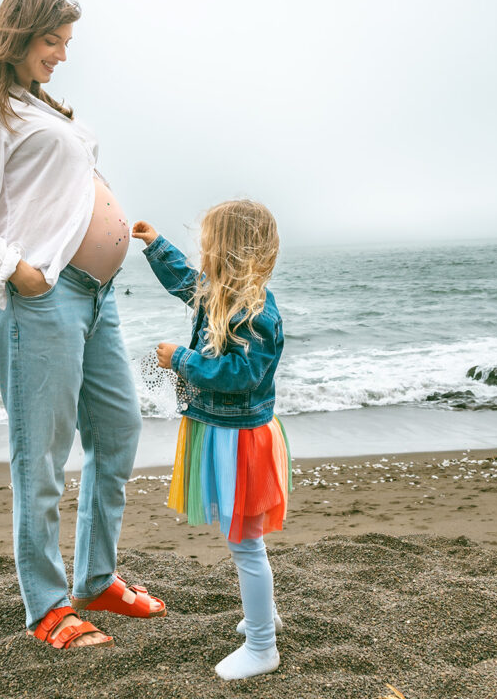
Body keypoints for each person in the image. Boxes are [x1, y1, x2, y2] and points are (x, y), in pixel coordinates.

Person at [0, 0, 164, 653]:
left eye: (67, 43)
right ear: (18, 33)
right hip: (42, 297)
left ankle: (95, 580)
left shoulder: (47, 111)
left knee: (118, 431)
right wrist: (18, 271)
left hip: (95, 298)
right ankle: (46, 605)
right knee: (40, 457)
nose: (62, 54)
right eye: (51, 40)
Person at [131, 201, 290, 681]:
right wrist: (155, 244)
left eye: (207, 245)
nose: (200, 254)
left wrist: (181, 359)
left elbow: (241, 375)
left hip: (242, 440)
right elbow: (184, 280)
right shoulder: (219, 293)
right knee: (243, 538)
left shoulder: (256, 312)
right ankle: (266, 617)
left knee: (245, 542)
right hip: (221, 433)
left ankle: (263, 645)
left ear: (229, 252)